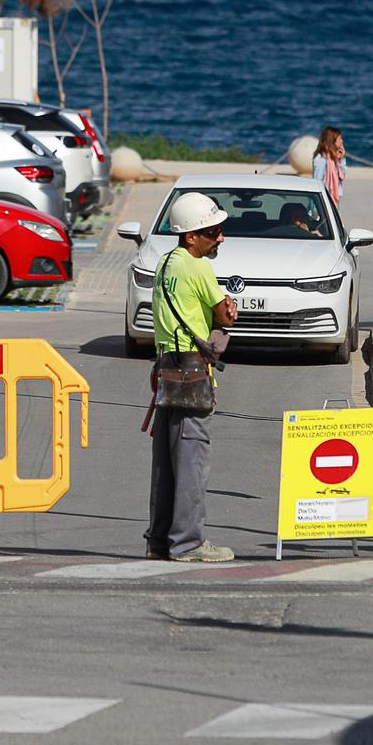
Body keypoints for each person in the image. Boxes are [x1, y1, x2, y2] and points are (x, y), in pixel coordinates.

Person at [145, 192, 239, 563]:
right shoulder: (197, 267)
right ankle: (188, 543)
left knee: (166, 464)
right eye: (213, 231)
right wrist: (228, 309)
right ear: (191, 237)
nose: (220, 238)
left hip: (166, 367)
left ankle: (158, 540)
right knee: (191, 461)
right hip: (193, 372)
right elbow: (225, 316)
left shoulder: (166, 263)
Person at [312, 126, 346, 208]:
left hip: (332, 200)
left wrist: (342, 159)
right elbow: (317, 182)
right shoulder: (321, 159)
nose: (342, 141)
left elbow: (342, 175)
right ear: (332, 140)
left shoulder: (335, 157)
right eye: (340, 139)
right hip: (323, 201)